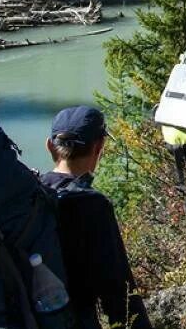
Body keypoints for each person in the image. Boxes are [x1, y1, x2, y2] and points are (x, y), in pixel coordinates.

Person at [41, 105, 153, 329]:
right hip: (77, 320)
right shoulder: (92, 205)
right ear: (99, 147)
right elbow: (118, 288)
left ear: (50, 147)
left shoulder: (30, 195)